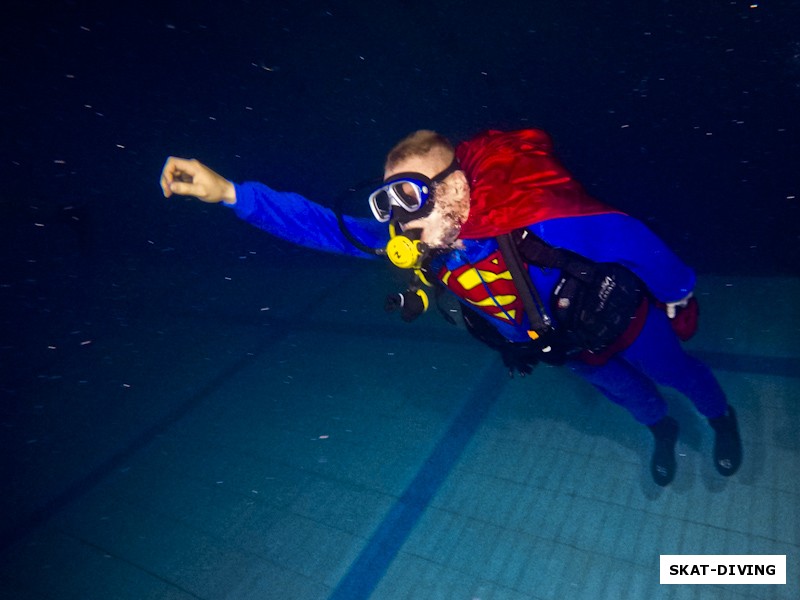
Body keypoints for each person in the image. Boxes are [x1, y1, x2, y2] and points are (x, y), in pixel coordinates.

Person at [159, 128, 742, 487]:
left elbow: (627, 236)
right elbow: (326, 228)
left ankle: (720, 419)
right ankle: (661, 429)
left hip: (626, 320)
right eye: (388, 202)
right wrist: (231, 193)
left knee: (678, 371)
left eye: (409, 195)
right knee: (623, 391)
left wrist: (679, 296)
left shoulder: (535, 220)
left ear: (454, 186)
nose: (399, 218)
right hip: (565, 347)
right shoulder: (427, 250)